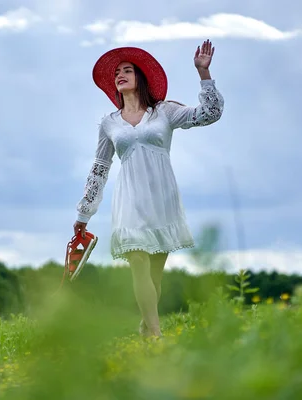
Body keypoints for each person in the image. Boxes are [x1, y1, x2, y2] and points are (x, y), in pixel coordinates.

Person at [73, 40, 224, 338]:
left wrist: (203, 73)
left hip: (162, 196)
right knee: (138, 261)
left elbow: (210, 113)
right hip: (129, 198)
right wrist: (84, 212)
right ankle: (155, 336)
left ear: (140, 78)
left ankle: (146, 327)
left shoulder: (164, 112)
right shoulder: (109, 123)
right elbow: (100, 168)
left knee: (155, 276)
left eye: (127, 70)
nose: (120, 74)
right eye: (117, 72)